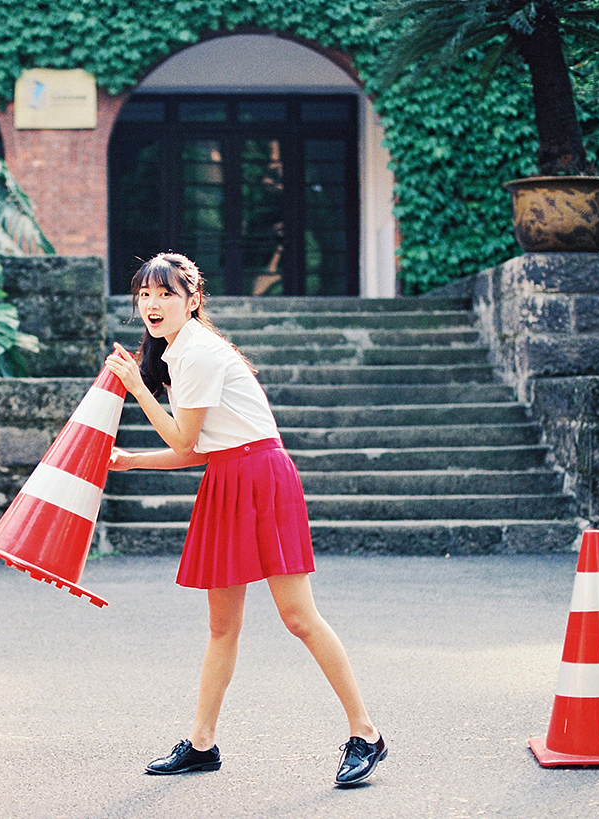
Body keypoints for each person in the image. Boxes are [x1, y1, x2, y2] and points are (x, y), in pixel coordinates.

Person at [104, 252, 386, 787]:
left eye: (165, 293)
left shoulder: (198, 353)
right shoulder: (176, 353)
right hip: (228, 477)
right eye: (144, 294)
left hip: (261, 476)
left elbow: (185, 440)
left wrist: (137, 390)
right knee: (222, 625)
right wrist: (132, 460)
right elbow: (198, 451)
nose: (152, 304)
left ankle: (366, 733)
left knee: (298, 617)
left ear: (193, 300)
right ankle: (202, 744)